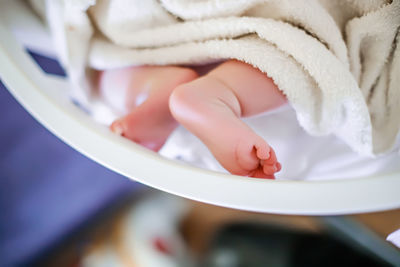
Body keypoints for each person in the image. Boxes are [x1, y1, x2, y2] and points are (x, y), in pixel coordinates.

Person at [98, 60, 287, 179]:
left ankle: (151, 84)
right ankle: (219, 92)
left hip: (151, 39)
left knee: (109, 75)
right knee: (282, 58)